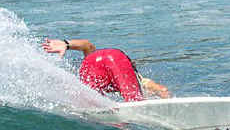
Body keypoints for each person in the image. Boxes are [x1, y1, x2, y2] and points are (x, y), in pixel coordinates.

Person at [42, 38, 170, 101]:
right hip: (115, 56)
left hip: (91, 63)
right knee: (134, 100)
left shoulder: (98, 75)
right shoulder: (142, 81)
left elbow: (87, 45)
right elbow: (163, 90)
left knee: (92, 104)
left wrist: (66, 44)